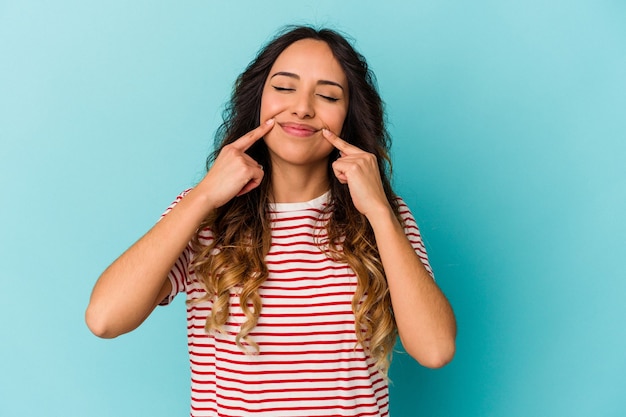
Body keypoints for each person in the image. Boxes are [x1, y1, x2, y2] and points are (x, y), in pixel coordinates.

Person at [86, 25, 456, 417]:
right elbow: (105, 319)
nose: (302, 107)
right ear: (258, 101)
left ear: (349, 117)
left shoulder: (384, 216)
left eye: (328, 95)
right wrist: (204, 196)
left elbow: (435, 349)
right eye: (284, 88)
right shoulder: (202, 214)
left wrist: (379, 212)